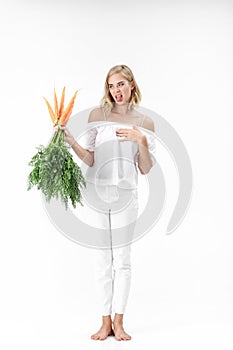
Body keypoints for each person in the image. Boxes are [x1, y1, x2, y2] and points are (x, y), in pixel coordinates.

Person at [58, 64, 156, 341]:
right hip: (97, 194)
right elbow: (90, 158)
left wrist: (142, 141)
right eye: (112, 86)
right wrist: (69, 139)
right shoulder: (97, 116)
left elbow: (145, 169)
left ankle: (120, 321)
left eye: (121, 84)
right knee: (101, 259)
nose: (116, 91)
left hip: (127, 196)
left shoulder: (144, 122)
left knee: (122, 261)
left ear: (132, 85)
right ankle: (104, 322)